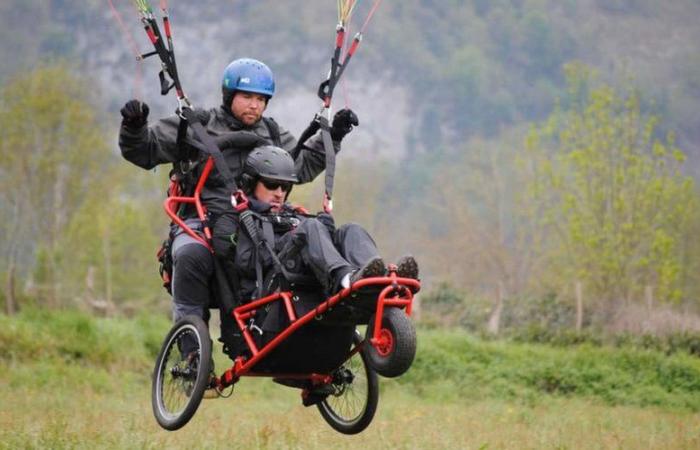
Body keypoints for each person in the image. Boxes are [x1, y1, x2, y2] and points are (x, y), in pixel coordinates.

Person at [118, 58, 359, 341]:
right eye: (247, 97)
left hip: (261, 223)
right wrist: (134, 126)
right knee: (189, 254)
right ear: (230, 96)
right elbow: (144, 150)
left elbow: (301, 166)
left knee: (311, 237)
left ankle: (324, 319)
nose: (254, 105)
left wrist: (334, 135)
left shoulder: (271, 134)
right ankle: (191, 352)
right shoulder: (200, 125)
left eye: (260, 99)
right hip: (203, 221)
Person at [224, 145, 419, 305]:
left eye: (285, 187)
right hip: (274, 286)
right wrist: (300, 234)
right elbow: (245, 265)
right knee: (311, 227)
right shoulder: (244, 218)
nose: (279, 193)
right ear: (251, 183)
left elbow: (320, 249)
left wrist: (326, 230)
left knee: (351, 229)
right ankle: (346, 280)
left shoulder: (294, 215)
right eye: (271, 184)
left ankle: (378, 283)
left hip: (311, 278)